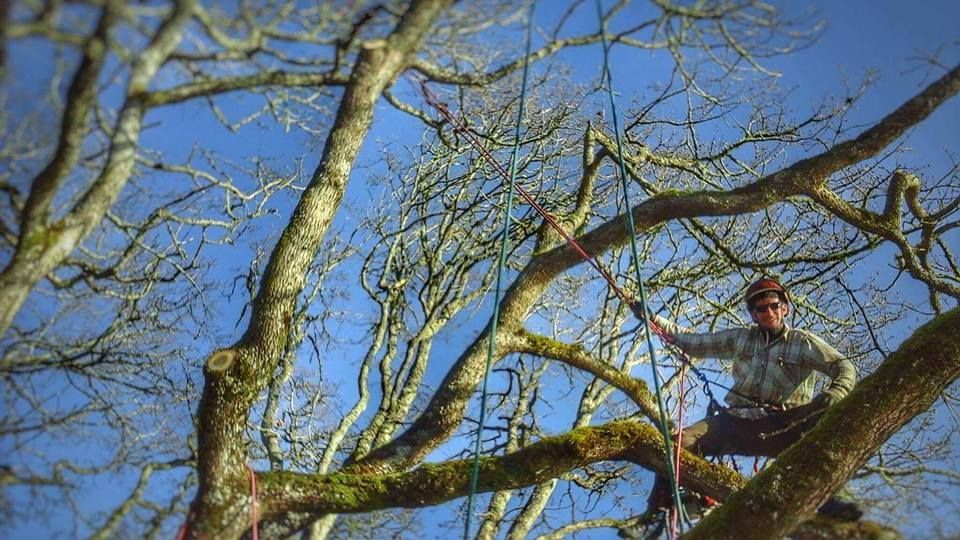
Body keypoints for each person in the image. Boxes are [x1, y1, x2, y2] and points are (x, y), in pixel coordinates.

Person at [634, 278, 861, 520]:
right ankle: (661, 509)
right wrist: (652, 318)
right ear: (753, 315)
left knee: (822, 416)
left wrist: (837, 391)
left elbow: (842, 365)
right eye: (761, 309)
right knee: (680, 441)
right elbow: (694, 342)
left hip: (784, 423)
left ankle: (829, 499)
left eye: (774, 305)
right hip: (737, 420)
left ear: (785, 308)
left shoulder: (802, 342)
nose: (769, 312)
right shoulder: (741, 338)